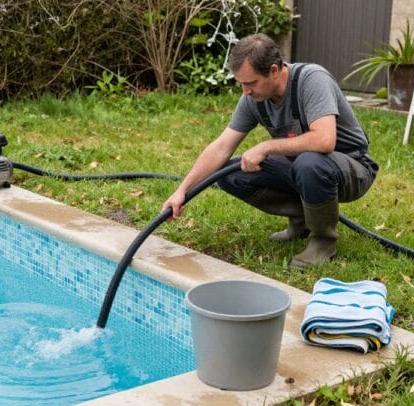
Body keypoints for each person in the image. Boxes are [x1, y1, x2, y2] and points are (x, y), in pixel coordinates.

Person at [162, 33, 379, 269]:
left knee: (310, 162)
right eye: (241, 84)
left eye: (251, 83)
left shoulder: (312, 80)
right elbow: (221, 147)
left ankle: (322, 242)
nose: (245, 91)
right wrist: (182, 190)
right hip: (302, 168)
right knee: (228, 172)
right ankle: (303, 221)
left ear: (274, 71)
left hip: (352, 168)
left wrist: (266, 146)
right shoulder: (254, 98)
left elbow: (325, 140)